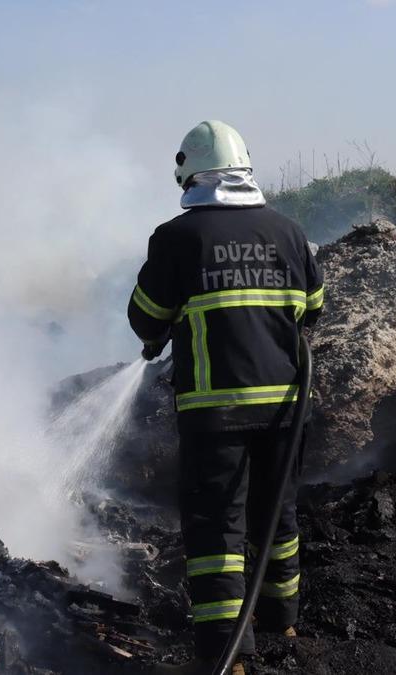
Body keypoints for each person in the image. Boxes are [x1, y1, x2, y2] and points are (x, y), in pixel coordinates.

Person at [128, 120, 324, 674]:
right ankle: (281, 616)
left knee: (216, 528)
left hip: (215, 411)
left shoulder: (177, 237)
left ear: (188, 173)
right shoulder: (288, 232)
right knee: (277, 513)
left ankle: (225, 655)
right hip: (286, 405)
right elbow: (314, 307)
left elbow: (145, 317)